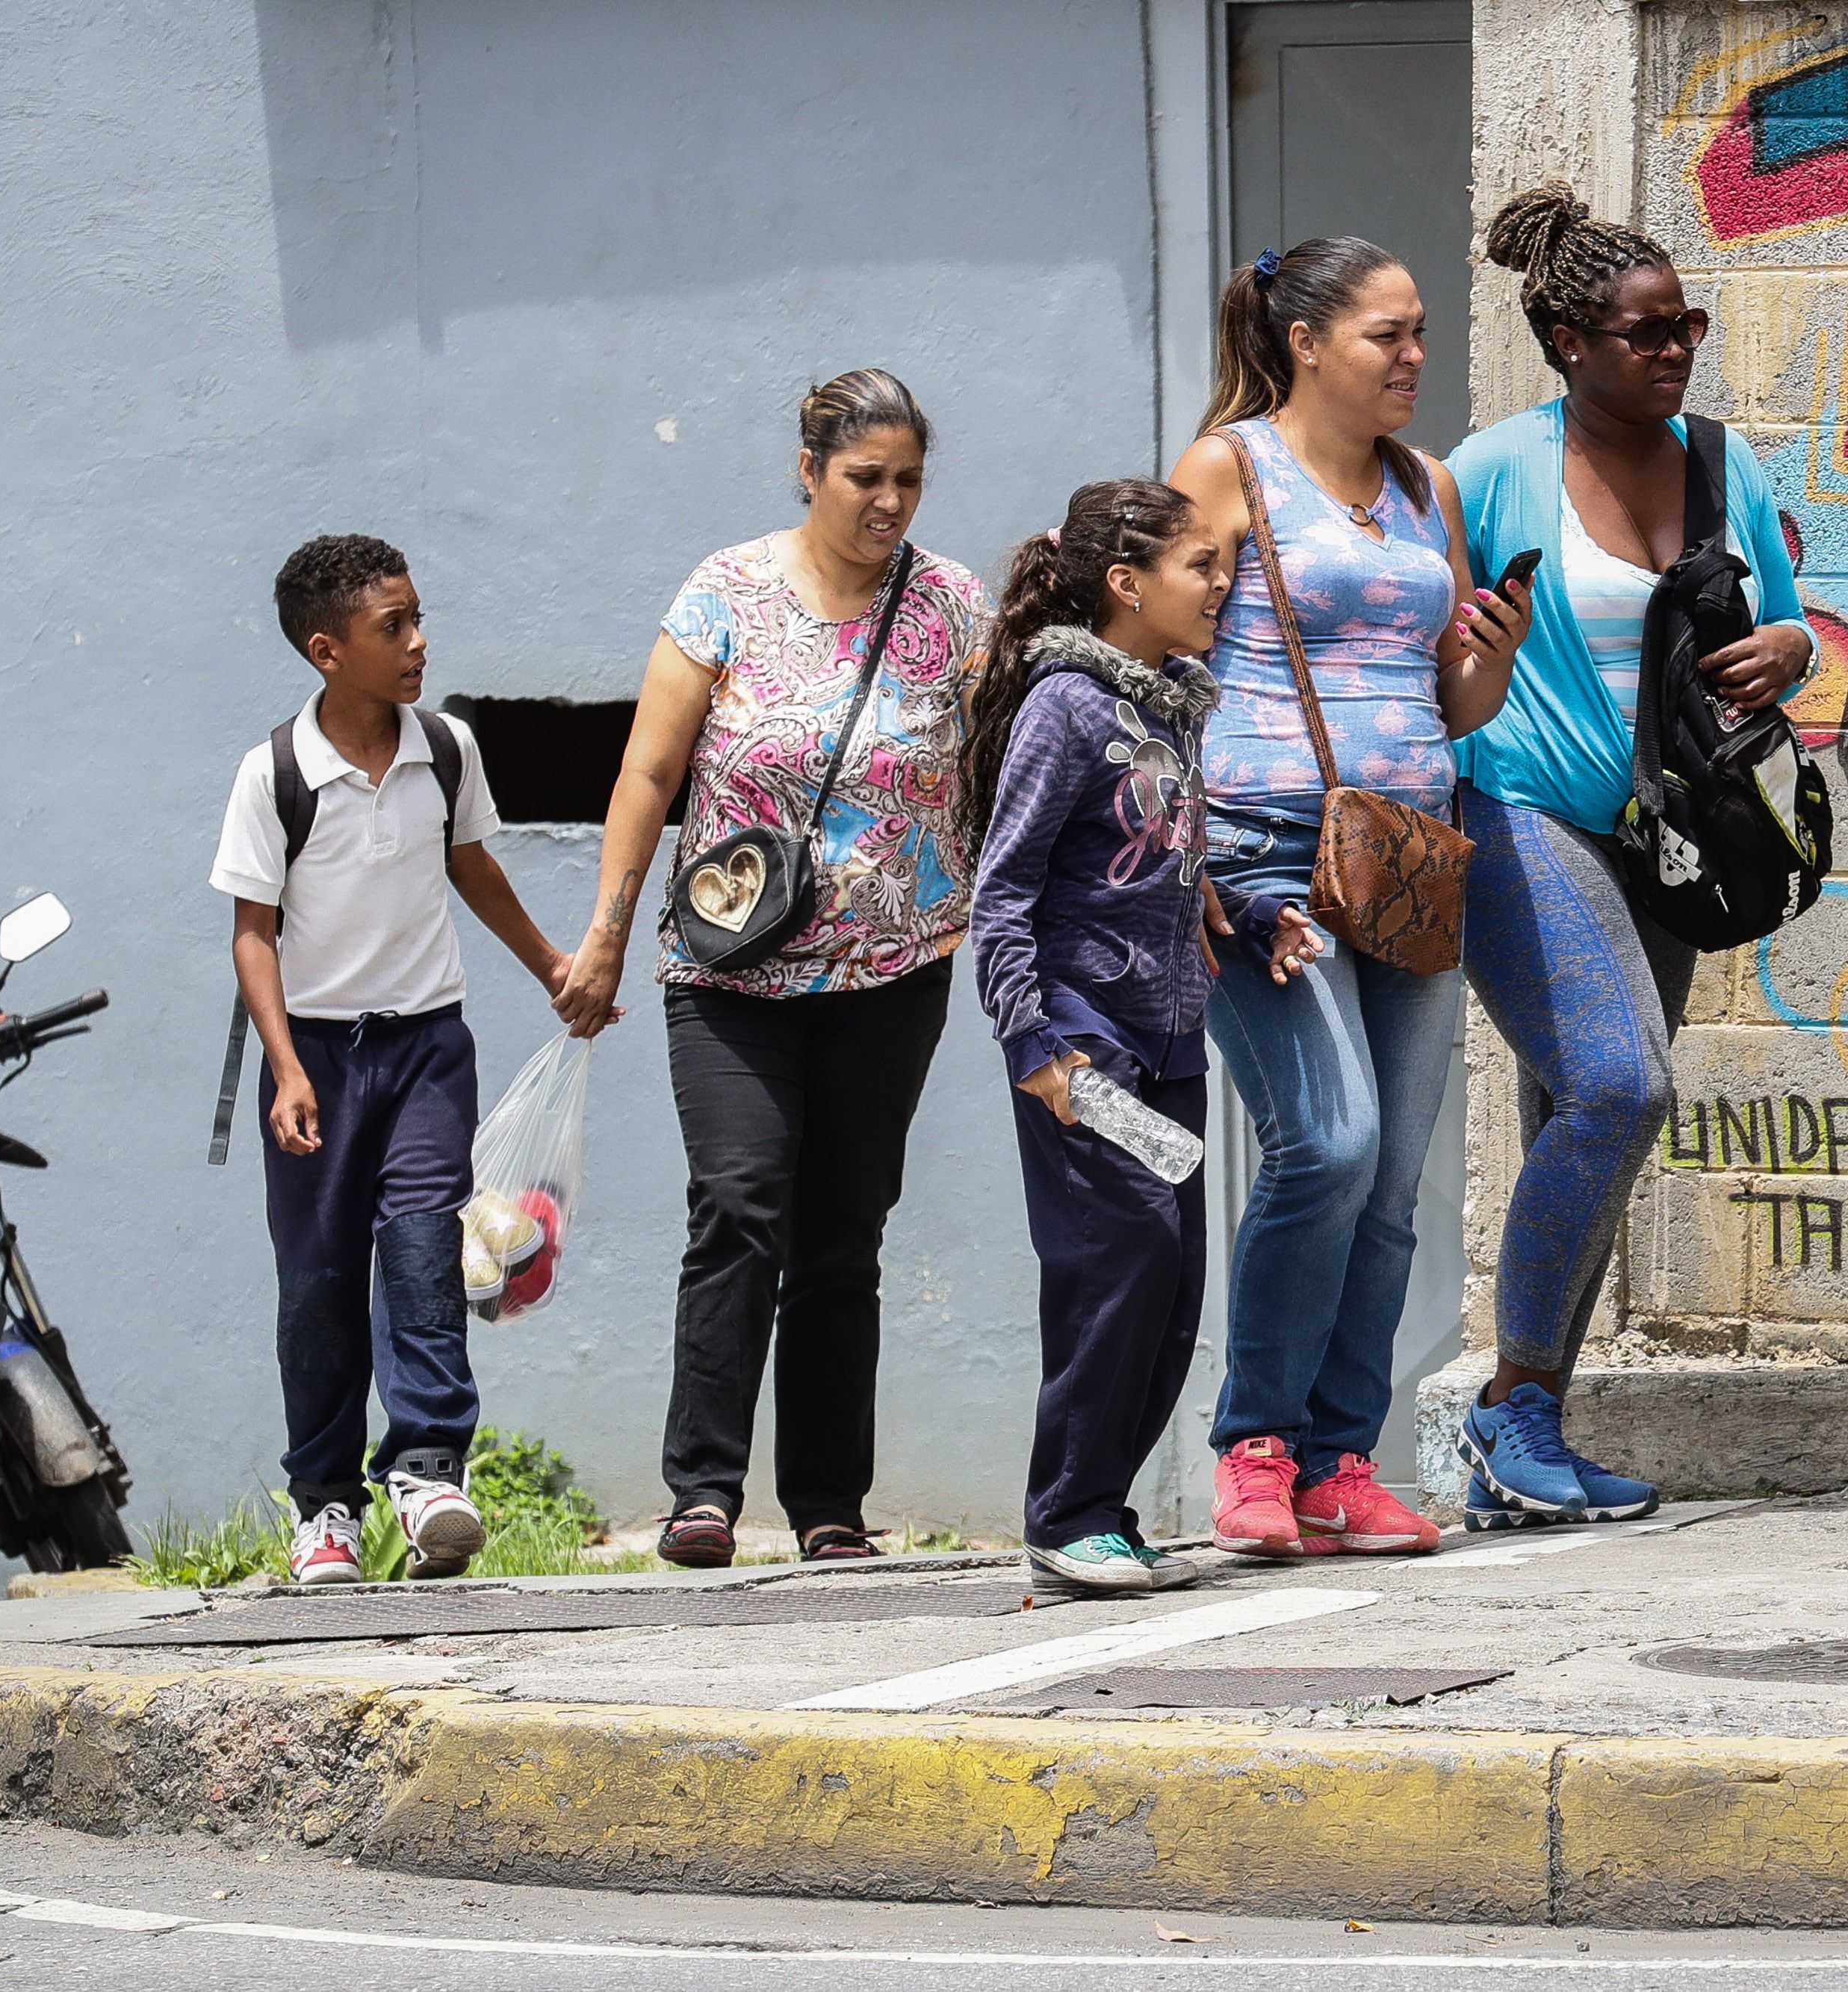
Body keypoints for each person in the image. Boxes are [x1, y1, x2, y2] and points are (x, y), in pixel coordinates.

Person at [552, 370, 987, 1569]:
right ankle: (703, 1491)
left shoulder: (951, 607)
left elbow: (999, 767)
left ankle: (829, 1506)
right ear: (809, 471)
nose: (888, 501)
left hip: (893, 974)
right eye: (864, 479)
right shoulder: (726, 592)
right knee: (740, 1210)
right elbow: (649, 774)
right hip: (731, 972)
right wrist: (605, 928)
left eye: (906, 480)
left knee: (845, 1235)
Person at [1446, 185, 1815, 1526]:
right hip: (1518, 811)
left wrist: (1794, 650)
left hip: (1663, 833)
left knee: (1578, 1117)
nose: (1675, 353)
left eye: (1689, 328)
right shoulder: (1491, 470)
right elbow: (1423, 647)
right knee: (1619, 1085)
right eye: (1647, 333)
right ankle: (1510, 1409)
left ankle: (1523, 1445)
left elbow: (1787, 619)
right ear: (1566, 338)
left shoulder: (1723, 461)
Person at [1166, 238, 1531, 1558]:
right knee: (1328, 1141)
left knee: (1389, 1187)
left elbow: (1454, 701)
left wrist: (1492, 661)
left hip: (1412, 858)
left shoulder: (1427, 485)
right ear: (1308, 341)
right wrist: (1182, 859)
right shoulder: (1230, 467)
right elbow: (1153, 647)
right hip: (1262, 851)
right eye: (1389, 335)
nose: (1416, 357)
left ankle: (1338, 1462)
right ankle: (1253, 1445)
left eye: (1422, 331)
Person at [964, 480, 1327, 1598]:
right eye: (1199, 566)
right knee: (1114, 1265)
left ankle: (1099, 1511)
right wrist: (1034, 1044)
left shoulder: (1170, 704)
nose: (1223, 585)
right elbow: (1004, 889)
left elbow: (1160, 866)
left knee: (1168, 1281)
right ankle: (1066, 1513)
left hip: (1168, 1047)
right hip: (1083, 1049)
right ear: (1127, 584)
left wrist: (1257, 916)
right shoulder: (1065, 706)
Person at [212, 534, 577, 1585]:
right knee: (319, 1285)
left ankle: (426, 1471)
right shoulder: (277, 772)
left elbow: (471, 867)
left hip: (427, 1047)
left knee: (423, 1251)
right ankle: (324, 1507)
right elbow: (251, 931)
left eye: (419, 618)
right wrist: (284, 1069)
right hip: (318, 1060)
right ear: (327, 650)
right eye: (393, 626)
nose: (419, 642)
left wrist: (551, 962)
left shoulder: (447, 750)